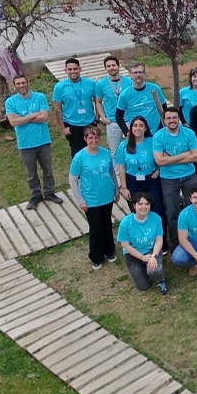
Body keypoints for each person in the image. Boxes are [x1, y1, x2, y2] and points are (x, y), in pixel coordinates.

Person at [6, 75, 64, 209]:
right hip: (25, 144)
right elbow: (13, 122)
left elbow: (44, 117)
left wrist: (23, 118)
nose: (21, 86)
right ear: (14, 86)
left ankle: (49, 193)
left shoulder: (40, 97)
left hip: (43, 140)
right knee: (31, 173)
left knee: (47, 170)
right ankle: (36, 195)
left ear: (28, 83)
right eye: (18, 84)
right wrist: (33, 115)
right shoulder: (11, 102)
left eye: (23, 83)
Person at [69, 126, 120, 270]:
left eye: (96, 137)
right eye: (90, 137)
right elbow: (73, 180)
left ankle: (109, 251)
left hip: (107, 196)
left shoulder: (105, 153)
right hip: (91, 199)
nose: (94, 140)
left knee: (107, 225)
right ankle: (96, 256)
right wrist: (80, 200)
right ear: (85, 139)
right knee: (95, 228)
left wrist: (116, 191)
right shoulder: (79, 157)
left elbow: (112, 172)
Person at [116, 116, 169, 252]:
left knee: (158, 211)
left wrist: (158, 170)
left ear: (145, 128)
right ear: (131, 128)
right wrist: (124, 187)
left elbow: (164, 156)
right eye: (135, 126)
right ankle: (141, 243)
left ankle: (161, 243)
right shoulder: (124, 145)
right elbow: (121, 166)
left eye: (141, 126)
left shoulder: (153, 141)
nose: (138, 128)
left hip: (151, 180)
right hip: (132, 182)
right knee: (138, 212)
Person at [152, 107, 197, 248]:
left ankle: (194, 237)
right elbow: (159, 161)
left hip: (189, 175)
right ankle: (176, 241)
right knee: (172, 212)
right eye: (169, 118)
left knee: (193, 207)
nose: (172, 121)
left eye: (175, 118)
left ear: (179, 119)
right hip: (168, 178)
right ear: (164, 120)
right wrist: (185, 154)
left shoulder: (189, 133)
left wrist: (170, 158)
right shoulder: (159, 136)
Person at [117, 193, 168, 295]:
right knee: (143, 286)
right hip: (133, 253)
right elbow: (125, 245)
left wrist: (153, 256)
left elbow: (159, 239)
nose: (144, 207)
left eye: (147, 204)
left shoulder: (156, 218)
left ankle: (161, 280)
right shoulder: (126, 222)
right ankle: (144, 267)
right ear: (134, 205)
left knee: (154, 271)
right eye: (140, 204)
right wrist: (142, 257)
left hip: (151, 250)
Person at [53, 57, 97, 157]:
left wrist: (97, 117)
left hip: (89, 123)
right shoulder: (60, 87)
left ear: (80, 69)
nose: (73, 72)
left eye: (75, 69)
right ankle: (78, 172)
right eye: (70, 69)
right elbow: (57, 108)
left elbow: (97, 100)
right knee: (77, 153)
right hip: (72, 125)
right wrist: (63, 128)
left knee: (93, 150)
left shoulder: (90, 83)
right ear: (65, 70)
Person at [94, 55, 131, 155]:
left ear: (118, 66)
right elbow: (98, 101)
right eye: (108, 66)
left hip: (128, 120)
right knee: (114, 152)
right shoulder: (101, 84)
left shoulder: (129, 82)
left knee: (131, 148)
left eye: (113, 65)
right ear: (105, 68)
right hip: (112, 122)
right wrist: (103, 117)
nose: (112, 68)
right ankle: (117, 171)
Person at [116, 61, 166, 135]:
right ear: (130, 75)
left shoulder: (155, 89)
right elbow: (118, 117)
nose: (138, 75)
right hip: (137, 133)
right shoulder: (124, 95)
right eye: (135, 73)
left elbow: (165, 109)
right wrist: (126, 132)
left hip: (156, 132)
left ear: (144, 73)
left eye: (140, 72)